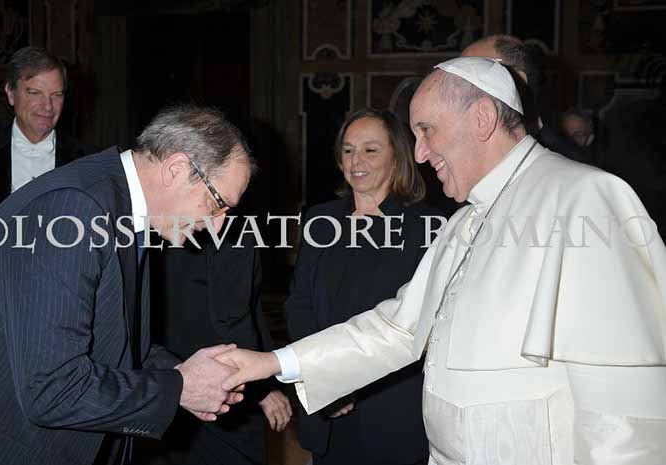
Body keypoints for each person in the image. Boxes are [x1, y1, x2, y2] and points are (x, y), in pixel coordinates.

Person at [214, 58, 666, 465]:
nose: (420, 153)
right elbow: (398, 328)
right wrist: (274, 363)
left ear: (482, 119)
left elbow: (625, 406)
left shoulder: (584, 197)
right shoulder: (466, 220)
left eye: (427, 130)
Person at [0, 104, 255, 465]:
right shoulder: (71, 209)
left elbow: (118, 343)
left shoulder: (119, 204)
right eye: (216, 203)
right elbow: (52, 390)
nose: (218, 224)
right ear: (177, 169)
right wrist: (180, 388)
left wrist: (189, 372)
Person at [285, 108, 435, 465]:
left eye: (370, 150)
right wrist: (324, 378)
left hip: (392, 409)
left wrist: (348, 377)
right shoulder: (320, 220)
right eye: (349, 150)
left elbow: (415, 325)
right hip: (327, 406)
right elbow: (300, 305)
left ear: (397, 157)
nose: (356, 161)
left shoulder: (426, 228)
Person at [136, 232, 291, 465]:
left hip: (157, 374)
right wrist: (262, 385)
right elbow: (234, 315)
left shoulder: (150, 222)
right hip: (220, 382)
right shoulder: (229, 223)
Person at [0, 46, 95, 271]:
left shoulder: (90, 162)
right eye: (35, 93)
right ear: (10, 93)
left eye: (56, 95)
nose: (47, 106)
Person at [461, 34, 591, 164]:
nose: (458, 87)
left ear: (517, 81)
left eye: (473, 75)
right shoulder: (460, 151)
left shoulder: (567, 165)